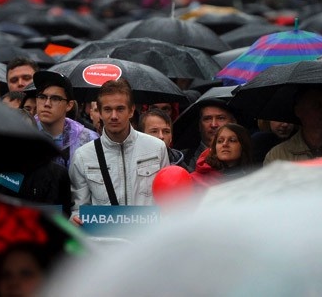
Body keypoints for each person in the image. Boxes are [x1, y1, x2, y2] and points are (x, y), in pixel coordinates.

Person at [69, 78, 169, 225]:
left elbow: (167, 202)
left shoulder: (157, 148)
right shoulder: (83, 156)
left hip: (148, 241)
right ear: (100, 113)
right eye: (108, 109)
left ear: (131, 110)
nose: (114, 116)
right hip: (104, 243)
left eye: (120, 109)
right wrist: (75, 220)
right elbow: (79, 208)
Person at [32, 70, 99, 169]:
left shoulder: (88, 140)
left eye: (55, 99)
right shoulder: (21, 134)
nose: (46, 104)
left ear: (69, 105)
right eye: (42, 97)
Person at [176, 96, 238, 172]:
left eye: (221, 118)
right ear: (199, 125)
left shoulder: (248, 157)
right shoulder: (182, 159)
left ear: (233, 122)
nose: (214, 124)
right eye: (207, 119)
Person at [191, 123, 253, 188]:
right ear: (215, 147)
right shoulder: (195, 180)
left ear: (243, 146)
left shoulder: (254, 182)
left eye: (232, 140)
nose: (225, 144)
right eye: (220, 141)